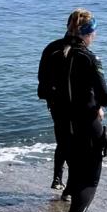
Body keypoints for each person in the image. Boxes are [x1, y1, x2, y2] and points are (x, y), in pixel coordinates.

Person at [43, 8, 107, 212]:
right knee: (90, 180)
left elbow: (42, 90)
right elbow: (104, 97)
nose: (95, 36)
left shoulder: (51, 49)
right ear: (88, 32)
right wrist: (103, 102)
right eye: (94, 31)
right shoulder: (88, 58)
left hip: (62, 124)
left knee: (75, 172)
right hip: (87, 125)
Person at [38, 16, 74, 193]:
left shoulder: (51, 47)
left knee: (63, 140)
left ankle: (57, 178)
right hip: (75, 105)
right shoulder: (79, 51)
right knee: (75, 144)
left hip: (55, 103)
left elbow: (41, 78)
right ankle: (69, 188)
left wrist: (50, 99)